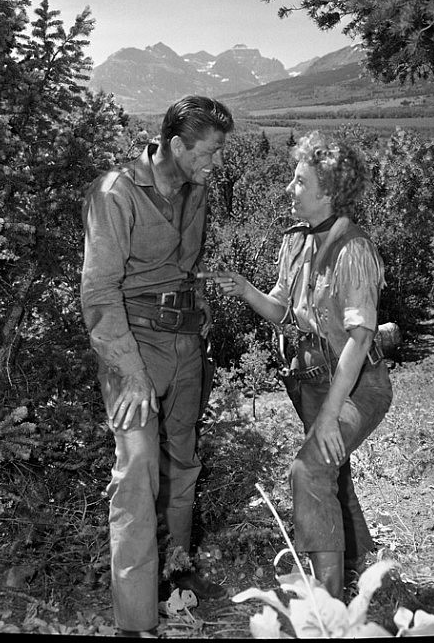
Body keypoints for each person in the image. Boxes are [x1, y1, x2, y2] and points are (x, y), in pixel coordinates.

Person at [201, 131, 393, 599]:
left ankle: (328, 600)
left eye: (299, 180)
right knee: (331, 471)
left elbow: (359, 337)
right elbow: (286, 312)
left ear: (328, 192)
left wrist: (330, 414)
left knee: (309, 470)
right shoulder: (295, 243)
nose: (289, 188)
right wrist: (246, 290)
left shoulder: (353, 249)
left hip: (355, 385)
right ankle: (361, 568)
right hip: (309, 382)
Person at [81, 95, 234, 637]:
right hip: (132, 347)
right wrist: (132, 372)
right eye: (208, 152)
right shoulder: (115, 193)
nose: (215, 163)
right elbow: (98, 293)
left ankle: (177, 588)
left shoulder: (197, 191)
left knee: (183, 467)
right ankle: (135, 621)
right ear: (175, 144)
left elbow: (183, 268)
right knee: (138, 472)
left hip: (186, 344)